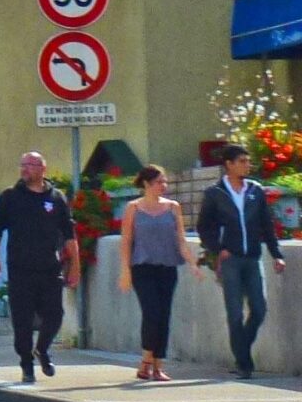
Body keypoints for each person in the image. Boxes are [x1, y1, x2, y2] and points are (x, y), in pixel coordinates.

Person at [0, 151, 78, 384]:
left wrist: (75, 264)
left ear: (42, 169)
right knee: (23, 319)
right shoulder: (10, 197)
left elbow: (69, 234)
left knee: (55, 314)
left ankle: (42, 349)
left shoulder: (56, 198)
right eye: (22, 165)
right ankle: (26, 364)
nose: (24, 169)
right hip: (20, 268)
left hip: (49, 267)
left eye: (30, 165)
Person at [197, 145, 288, 378]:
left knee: (259, 309)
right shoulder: (215, 193)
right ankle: (244, 364)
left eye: (248, 161)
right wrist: (218, 250)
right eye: (242, 161)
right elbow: (204, 227)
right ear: (229, 164)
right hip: (231, 260)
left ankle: (242, 349)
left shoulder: (255, 191)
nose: (247, 165)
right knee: (235, 312)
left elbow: (266, 225)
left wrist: (276, 254)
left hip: (252, 257)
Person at [116, 165, 197, 381]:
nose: (164, 186)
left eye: (165, 182)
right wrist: (125, 270)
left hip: (167, 267)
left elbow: (180, 239)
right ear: (147, 183)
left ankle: (158, 365)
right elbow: (126, 241)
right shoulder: (133, 208)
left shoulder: (173, 207)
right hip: (142, 267)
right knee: (151, 313)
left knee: (164, 315)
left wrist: (192, 263)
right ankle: (146, 361)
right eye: (160, 181)